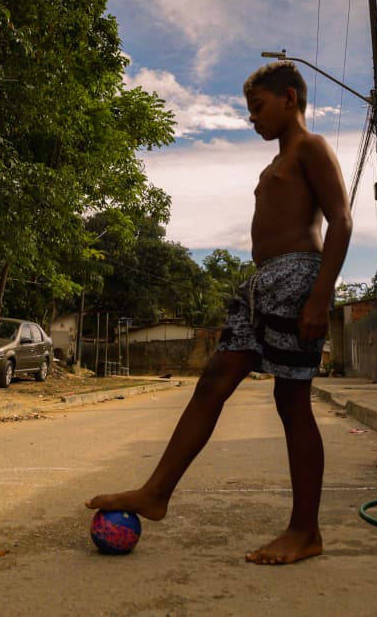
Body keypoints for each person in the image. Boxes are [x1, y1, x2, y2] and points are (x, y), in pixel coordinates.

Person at [86, 61, 352, 565]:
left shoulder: (311, 148)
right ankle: (156, 493)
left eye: (258, 107)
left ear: (289, 98)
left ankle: (305, 531)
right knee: (212, 380)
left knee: (291, 400)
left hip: (297, 280)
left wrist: (320, 297)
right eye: (249, 111)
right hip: (260, 285)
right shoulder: (273, 164)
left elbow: (341, 219)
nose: (252, 119)